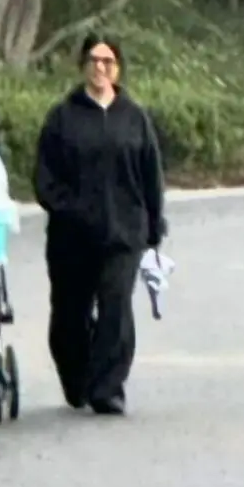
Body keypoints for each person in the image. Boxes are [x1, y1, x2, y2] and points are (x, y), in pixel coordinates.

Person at [33, 33, 167, 416]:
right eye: (94, 60)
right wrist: (70, 209)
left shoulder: (134, 118)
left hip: (124, 233)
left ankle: (108, 388)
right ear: (83, 65)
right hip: (71, 238)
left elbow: (150, 175)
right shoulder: (62, 118)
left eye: (108, 61)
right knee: (69, 317)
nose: (100, 68)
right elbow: (44, 178)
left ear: (118, 68)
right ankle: (77, 380)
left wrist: (155, 225)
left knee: (115, 307)